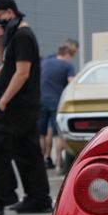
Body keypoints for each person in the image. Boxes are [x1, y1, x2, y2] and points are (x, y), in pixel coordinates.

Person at [0, 0, 52, 215]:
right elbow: (4, 65)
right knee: (27, 150)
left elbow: (22, 72)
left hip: (17, 105)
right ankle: (38, 197)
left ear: (9, 12)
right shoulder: (14, 35)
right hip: (22, 105)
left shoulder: (23, 36)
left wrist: (4, 100)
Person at [39, 43, 75, 171]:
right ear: (67, 54)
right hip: (57, 102)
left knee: (41, 134)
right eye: (71, 56)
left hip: (40, 100)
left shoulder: (44, 63)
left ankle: (41, 163)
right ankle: (58, 164)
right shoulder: (68, 65)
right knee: (57, 134)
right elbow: (72, 84)